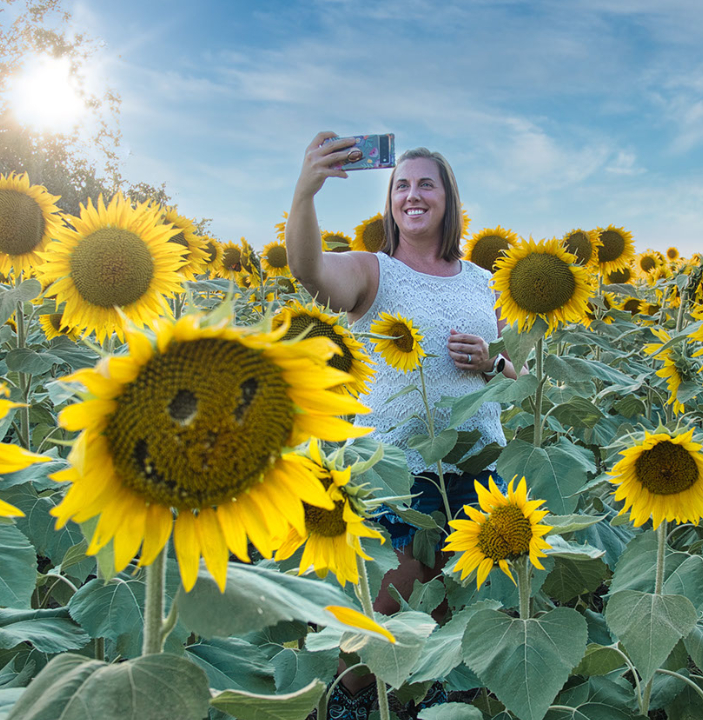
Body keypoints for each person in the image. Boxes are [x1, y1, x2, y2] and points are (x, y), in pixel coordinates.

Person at [286, 133, 518, 718]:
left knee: (445, 608)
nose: (412, 195)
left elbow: (506, 368)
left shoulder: (480, 281)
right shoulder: (372, 271)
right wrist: (307, 193)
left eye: (425, 184)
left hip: (474, 459)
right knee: (388, 610)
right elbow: (307, 269)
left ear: (448, 198)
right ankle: (345, 707)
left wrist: (490, 361)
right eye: (401, 186)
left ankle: (420, 704)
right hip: (398, 465)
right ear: (390, 201)